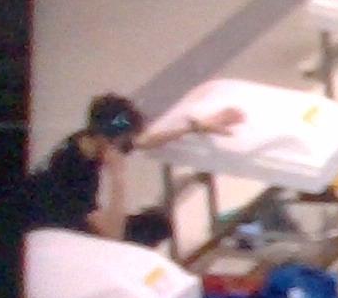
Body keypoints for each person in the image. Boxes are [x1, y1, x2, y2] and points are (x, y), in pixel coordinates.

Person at [23, 94, 243, 244]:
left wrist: (195, 127)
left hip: (67, 216)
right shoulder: (74, 174)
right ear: (107, 140)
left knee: (157, 223)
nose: (126, 147)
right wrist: (118, 177)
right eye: (122, 142)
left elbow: (143, 141)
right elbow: (112, 234)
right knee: (148, 231)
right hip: (51, 234)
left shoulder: (88, 139)